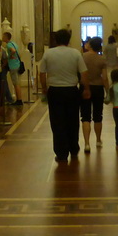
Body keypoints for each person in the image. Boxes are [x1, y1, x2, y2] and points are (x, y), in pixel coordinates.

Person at [38, 28, 90, 163]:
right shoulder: (75, 53)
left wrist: (44, 88)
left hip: (55, 91)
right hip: (72, 91)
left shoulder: (48, 54)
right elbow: (83, 73)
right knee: (72, 120)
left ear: (56, 40)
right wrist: (86, 89)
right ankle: (73, 148)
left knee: (57, 122)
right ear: (69, 40)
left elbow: (42, 73)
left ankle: (61, 153)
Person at [80, 36, 108, 151]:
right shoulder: (102, 60)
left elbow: (79, 73)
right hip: (98, 88)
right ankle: (98, 140)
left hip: (84, 88)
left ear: (90, 45)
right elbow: (105, 78)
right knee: (98, 116)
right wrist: (108, 92)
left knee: (85, 116)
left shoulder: (82, 57)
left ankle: (86, 143)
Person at [2, 31, 23, 105]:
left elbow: (13, 51)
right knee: (17, 83)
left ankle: (19, 100)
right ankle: (19, 99)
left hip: (13, 66)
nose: (2, 37)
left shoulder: (8, 45)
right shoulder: (14, 43)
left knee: (15, 83)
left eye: (3, 36)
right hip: (17, 64)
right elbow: (19, 53)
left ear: (6, 37)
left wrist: (10, 56)